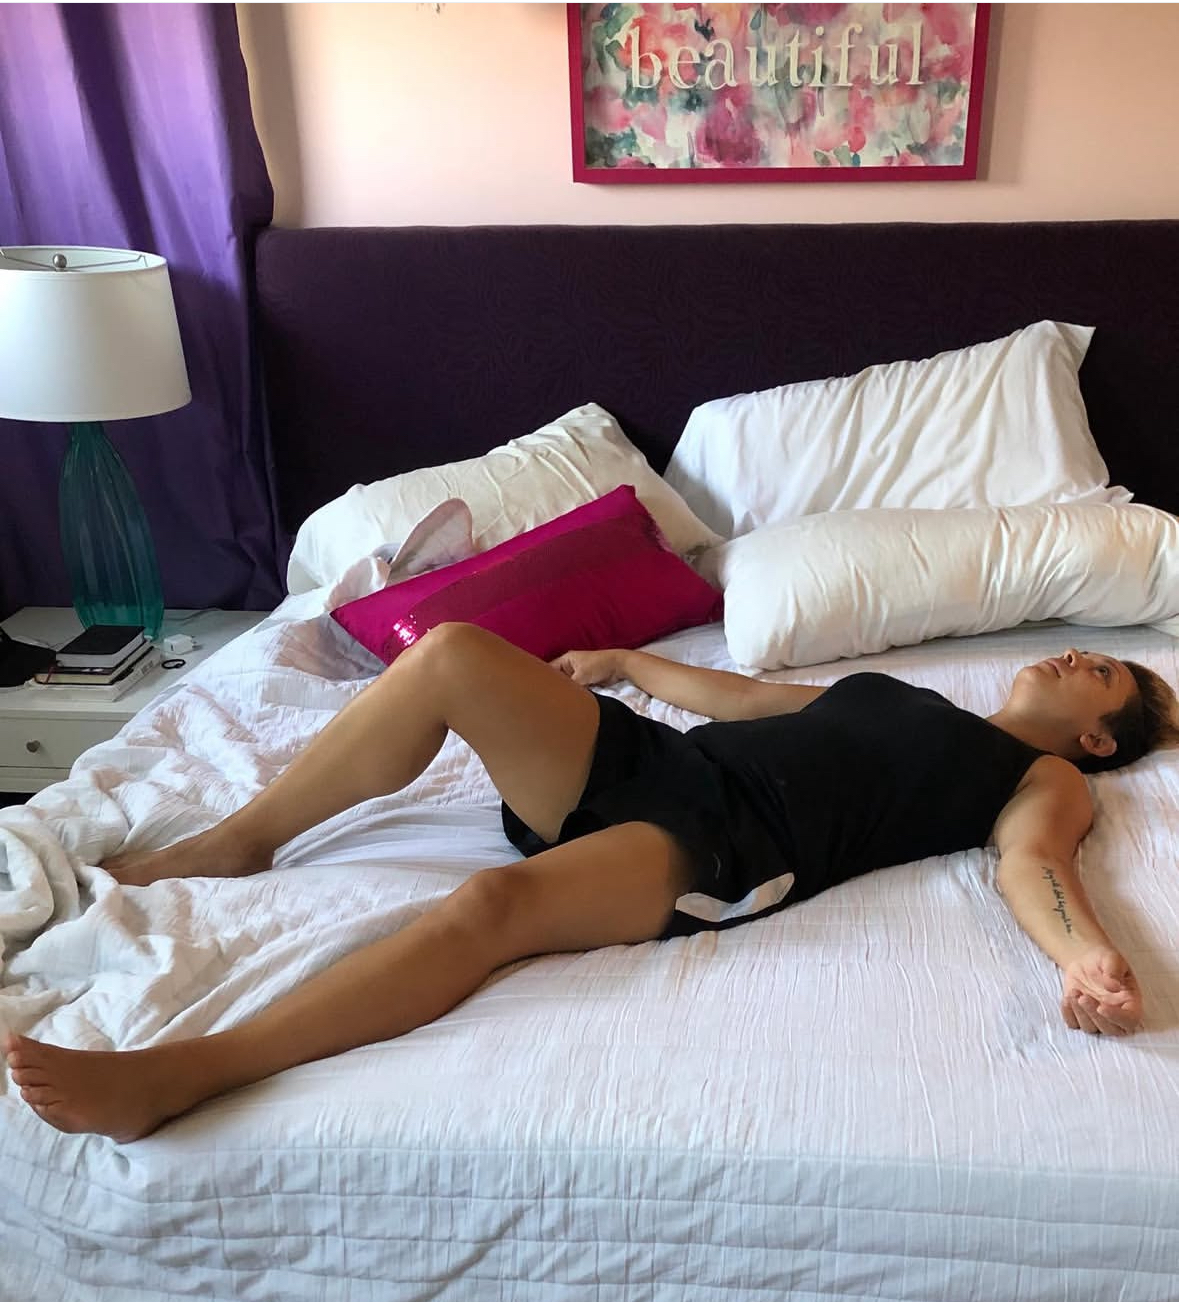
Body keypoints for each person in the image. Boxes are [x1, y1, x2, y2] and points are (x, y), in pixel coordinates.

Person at [5, 622, 1176, 1143]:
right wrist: (625, 662)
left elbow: (1033, 865)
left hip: (729, 844)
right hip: (669, 763)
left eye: (1106, 676)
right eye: (1092, 654)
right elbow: (748, 699)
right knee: (452, 654)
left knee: (489, 909)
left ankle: (183, 1075)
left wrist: (1084, 956)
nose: (1082, 657)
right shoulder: (906, 697)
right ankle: (241, 840)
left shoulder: (1039, 778)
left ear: (1097, 742)